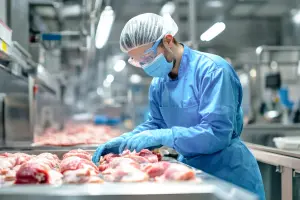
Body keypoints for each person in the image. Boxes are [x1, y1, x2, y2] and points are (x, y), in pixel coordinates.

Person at [92, 13, 265, 200]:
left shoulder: (213, 70)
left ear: (168, 41)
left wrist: (165, 135)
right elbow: (157, 124)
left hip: (229, 173)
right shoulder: (159, 83)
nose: (145, 65)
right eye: (139, 62)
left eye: (148, 57)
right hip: (191, 172)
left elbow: (217, 133)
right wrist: (125, 140)